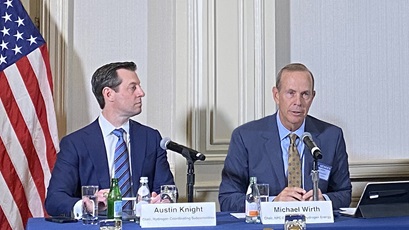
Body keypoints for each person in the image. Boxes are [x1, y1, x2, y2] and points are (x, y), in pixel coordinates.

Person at [45, 61, 175, 217]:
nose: (141, 93)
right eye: (133, 87)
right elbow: (54, 199)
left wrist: (164, 200)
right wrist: (87, 205)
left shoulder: (151, 138)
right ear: (108, 94)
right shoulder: (75, 144)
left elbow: (166, 188)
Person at [218, 63, 352, 212]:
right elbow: (228, 198)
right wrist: (272, 203)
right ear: (276, 95)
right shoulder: (245, 137)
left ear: (312, 97)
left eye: (305, 94)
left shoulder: (331, 136)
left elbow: (344, 193)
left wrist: (323, 201)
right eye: (291, 93)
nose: (298, 102)